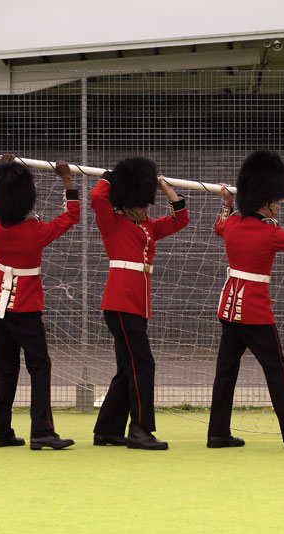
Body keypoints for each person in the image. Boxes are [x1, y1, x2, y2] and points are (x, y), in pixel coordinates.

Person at [207, 149, 284, 449]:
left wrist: (226, 204)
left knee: (226, 373)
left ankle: (217, 432)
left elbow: (218, 227)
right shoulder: (269, 233)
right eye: (275, 201)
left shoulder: (233, 225)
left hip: (229, 308)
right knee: (277, 371)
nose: (278, 205)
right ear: (265, 202)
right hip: (255, 311)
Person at [0, 155, 79, 449]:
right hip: (26, 308)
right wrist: (66, 179)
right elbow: (72, 215)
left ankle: (0, 432)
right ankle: (42, 431)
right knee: (40, 367)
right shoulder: (36, 231)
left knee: (6, 372)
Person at [91, 157, 189, 450]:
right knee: (143, 364)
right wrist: (111, 176)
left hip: (137, 304)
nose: (145, 208)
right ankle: (140, 429)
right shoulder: (113, 222)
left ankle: (107, 430)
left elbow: (180, 219)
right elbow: (97, 197)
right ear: (126, 202)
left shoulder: (147, 227)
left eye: (147, 202)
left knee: (127, 367)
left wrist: (162, 186)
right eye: (140, 202)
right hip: (120, 303)